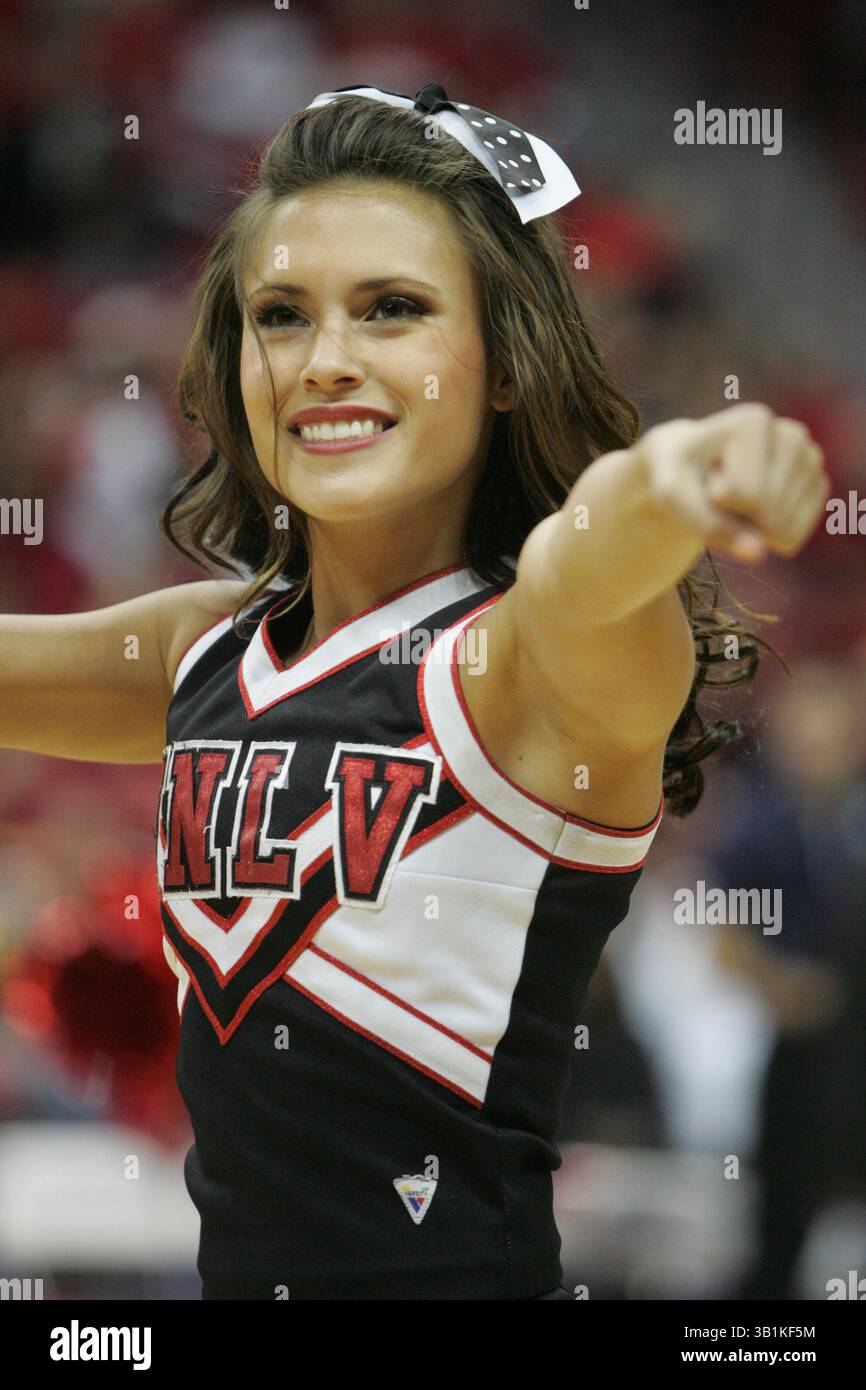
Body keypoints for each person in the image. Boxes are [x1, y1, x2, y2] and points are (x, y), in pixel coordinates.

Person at [0, 84, 828, 1300]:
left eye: (393, 309)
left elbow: (585, 555)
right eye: (280, 316)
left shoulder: (528, 662)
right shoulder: (199, 653)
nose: (327, 361)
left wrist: (675, 474)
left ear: (502, 360)